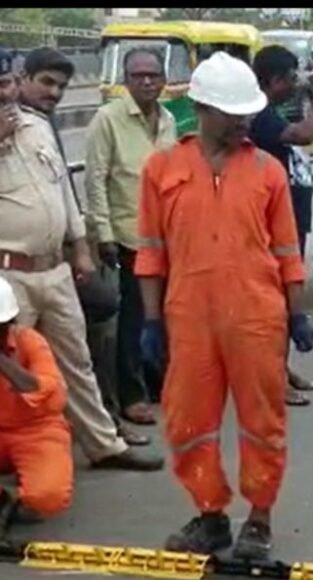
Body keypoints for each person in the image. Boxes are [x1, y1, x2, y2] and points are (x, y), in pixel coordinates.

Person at [136, 52, 313, 560]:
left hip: (258, 317)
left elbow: (287, 252)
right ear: (201, 108)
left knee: (263, 422)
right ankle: (210, 515)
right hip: (188, 317)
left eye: (247, 114)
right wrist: (152, 322)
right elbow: (150, 252)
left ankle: (258, 519)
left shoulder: (266, 171)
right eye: (232, 114)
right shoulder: (162, 169)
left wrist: (295, 311)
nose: (243, 123)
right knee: (189, 421)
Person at [0, 47, 161, 473]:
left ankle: (104, 444)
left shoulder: (35, 126)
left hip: (55, 269)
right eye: (46, 83)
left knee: (77, 362)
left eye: (7, 84)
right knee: (10, 372)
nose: (53, 93)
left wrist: (82, 246)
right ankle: (16, 462)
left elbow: (62, 192)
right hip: (8, 276)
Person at [84, 47, 176, 431]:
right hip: (126, 237)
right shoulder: (108, 119)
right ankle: (132, 396)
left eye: (153, 75)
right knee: (134, 321)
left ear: (163, 79)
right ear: (125, 80)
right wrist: (103, 235)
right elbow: (96, 180)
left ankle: (159, 386)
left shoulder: (169, 120)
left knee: (165, 316)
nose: (146, 81)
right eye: (138, 75)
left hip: (167, 237)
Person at [248, 45, 313, 408]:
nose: (295, 83)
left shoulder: (268, 111)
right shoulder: (258, 115)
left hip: (291, 218)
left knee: (286, 299)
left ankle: (282, 369)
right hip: (274, 224)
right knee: (277, 303)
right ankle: (273, 379)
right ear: (276, 80)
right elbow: (303, 135)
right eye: (291, 77)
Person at [0, 276, 72, 536]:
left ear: (10, 323)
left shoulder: (30, 341)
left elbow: (37, 388)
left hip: (37, 430)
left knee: (46, 498)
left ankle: (23, 493)